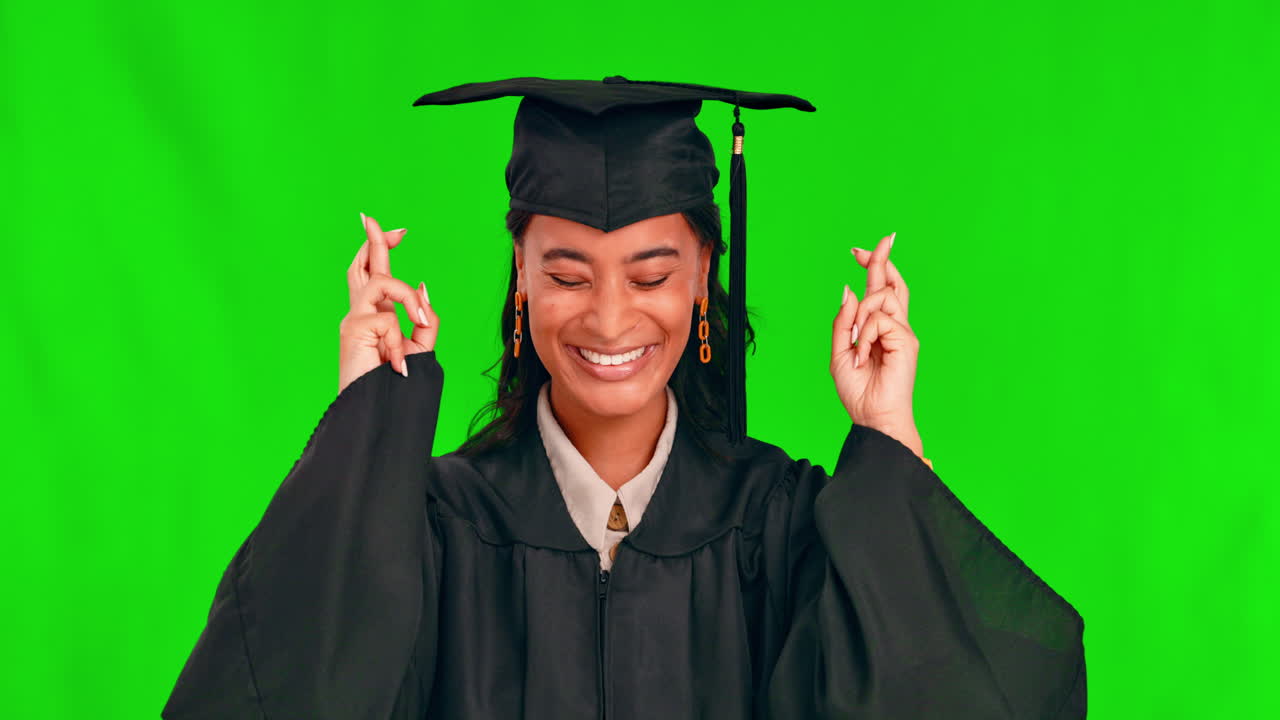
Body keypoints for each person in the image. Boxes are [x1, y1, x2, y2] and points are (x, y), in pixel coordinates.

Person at [162, 76, 1086, 719]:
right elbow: (278, 694)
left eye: (651, 274)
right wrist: (366, 428)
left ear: (702, 279)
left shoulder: (783, 525)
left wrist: (890, 435)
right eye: (567, 274)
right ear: (520, 279)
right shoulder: (433, 526)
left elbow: (957, 697)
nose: (609, 319)